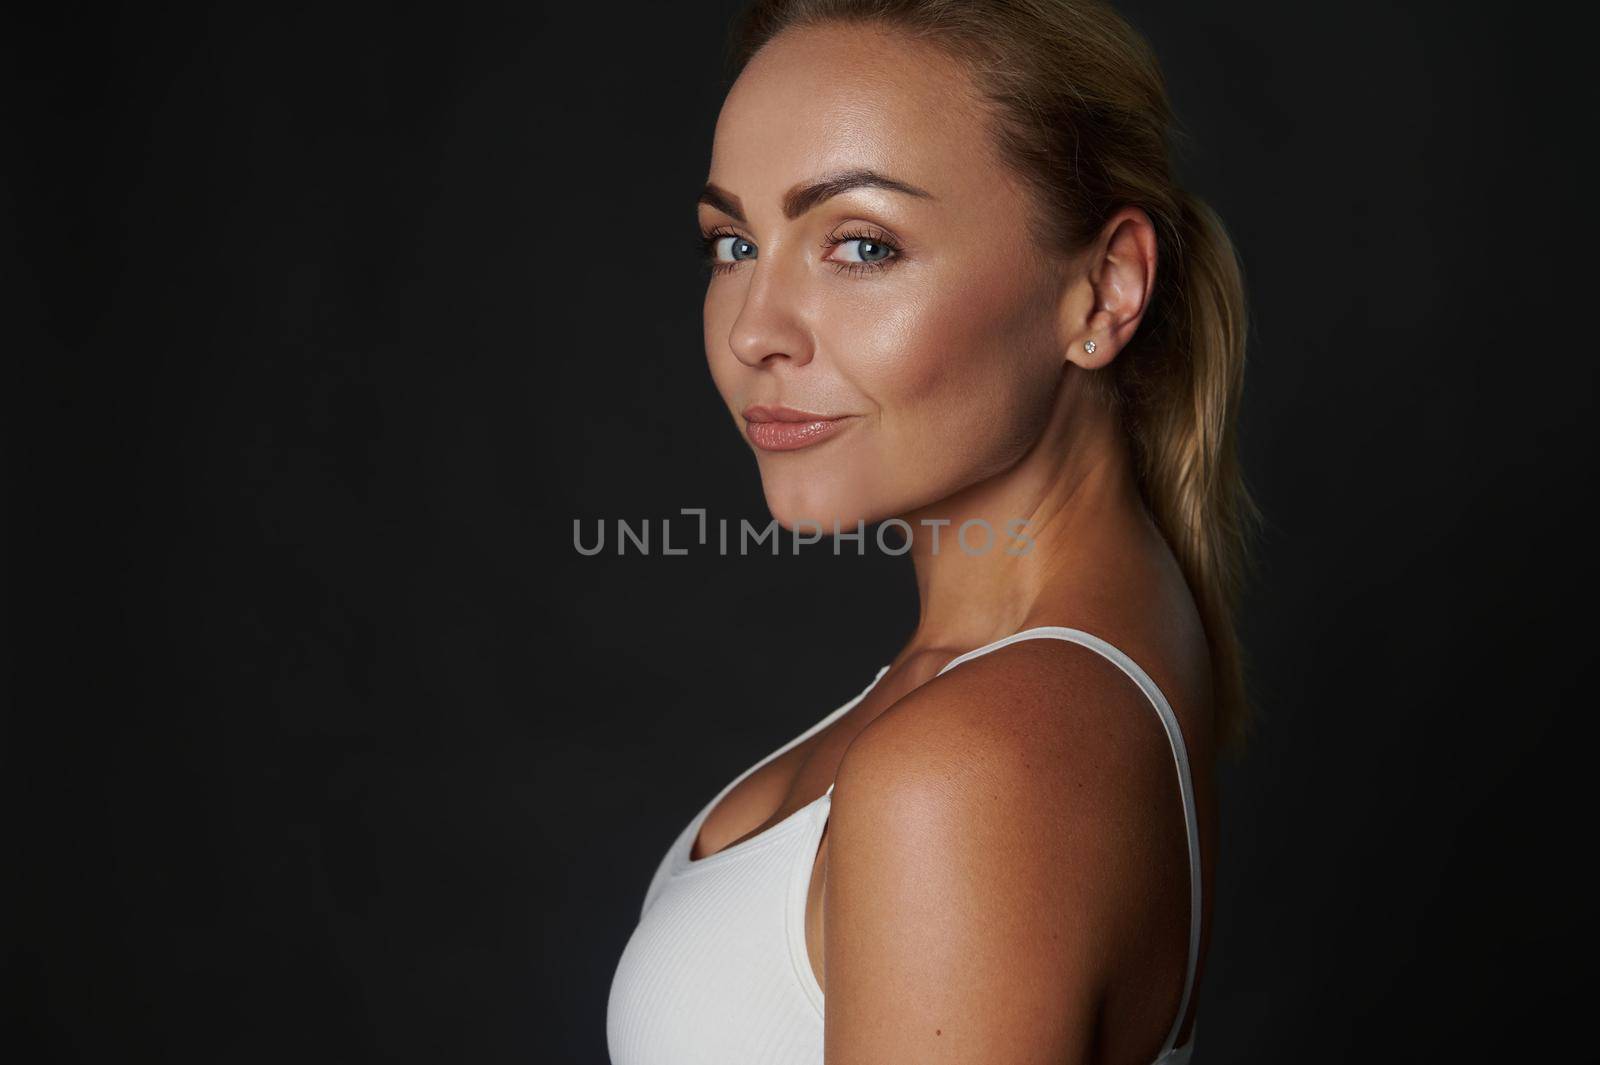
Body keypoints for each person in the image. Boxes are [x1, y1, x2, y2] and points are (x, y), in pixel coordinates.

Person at [607, 1, 1260, 1061]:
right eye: (734, 242)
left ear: (1103, 290)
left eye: (859, 245)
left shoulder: (975, 764)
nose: (753, 329)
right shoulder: (1045, 683)